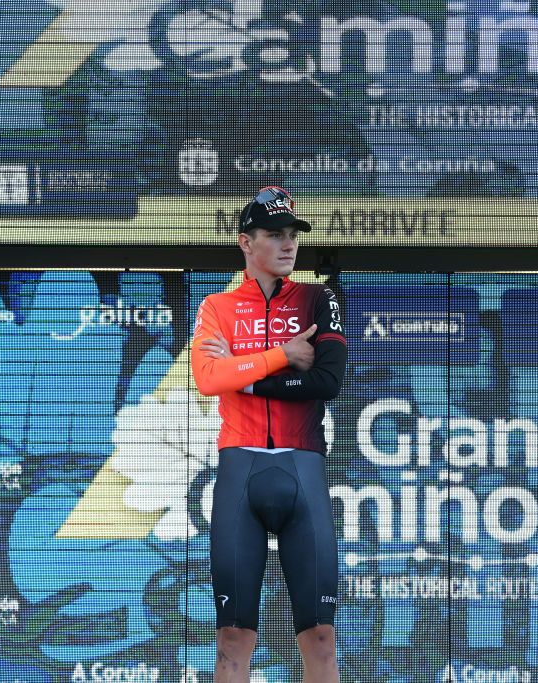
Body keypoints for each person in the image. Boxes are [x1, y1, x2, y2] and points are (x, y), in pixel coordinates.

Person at [191, 186, 347, 683]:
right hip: (241, 471)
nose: (288, 245)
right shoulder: (216, 305)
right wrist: (281, 358)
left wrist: (246, 374)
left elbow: (327, 382)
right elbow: (209, 379)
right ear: (245, 242)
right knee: (233, 639)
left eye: (292, 236)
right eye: (274, 235)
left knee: (321, 638)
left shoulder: (317, 298)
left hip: (303, 468)